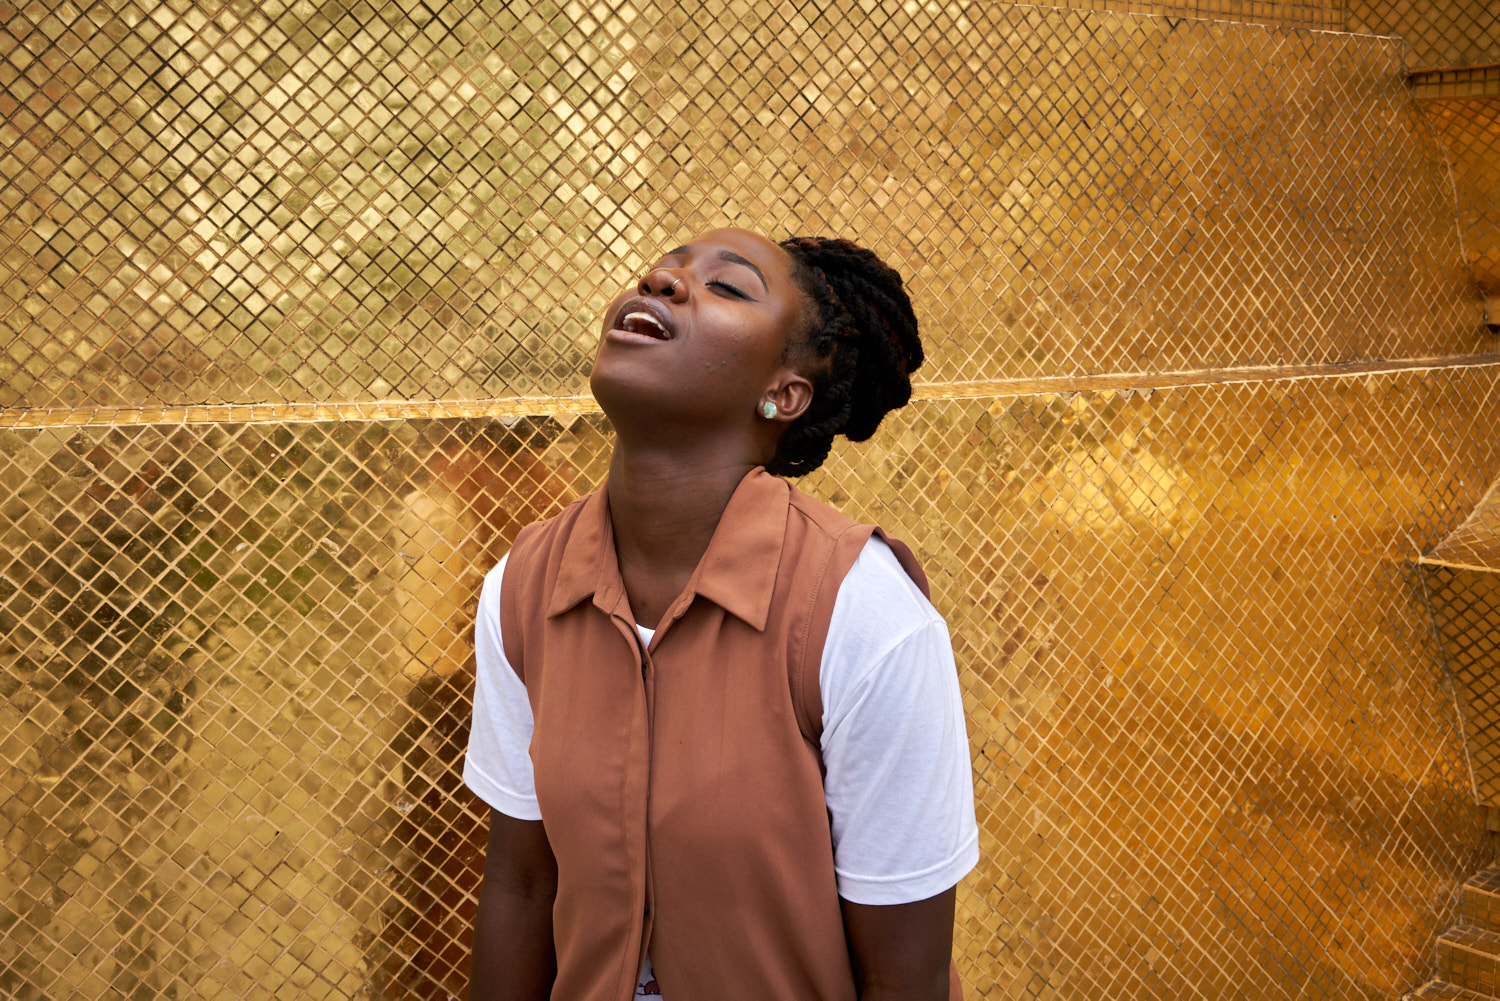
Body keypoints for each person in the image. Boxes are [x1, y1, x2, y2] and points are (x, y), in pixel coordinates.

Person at [463, 228, 979, 1001]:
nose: (661, 283)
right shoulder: (522, 588)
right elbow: (523, 885)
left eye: (728, 287)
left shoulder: (863, 613)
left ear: (785, 394)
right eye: (659, 271)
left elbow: (905, 979)